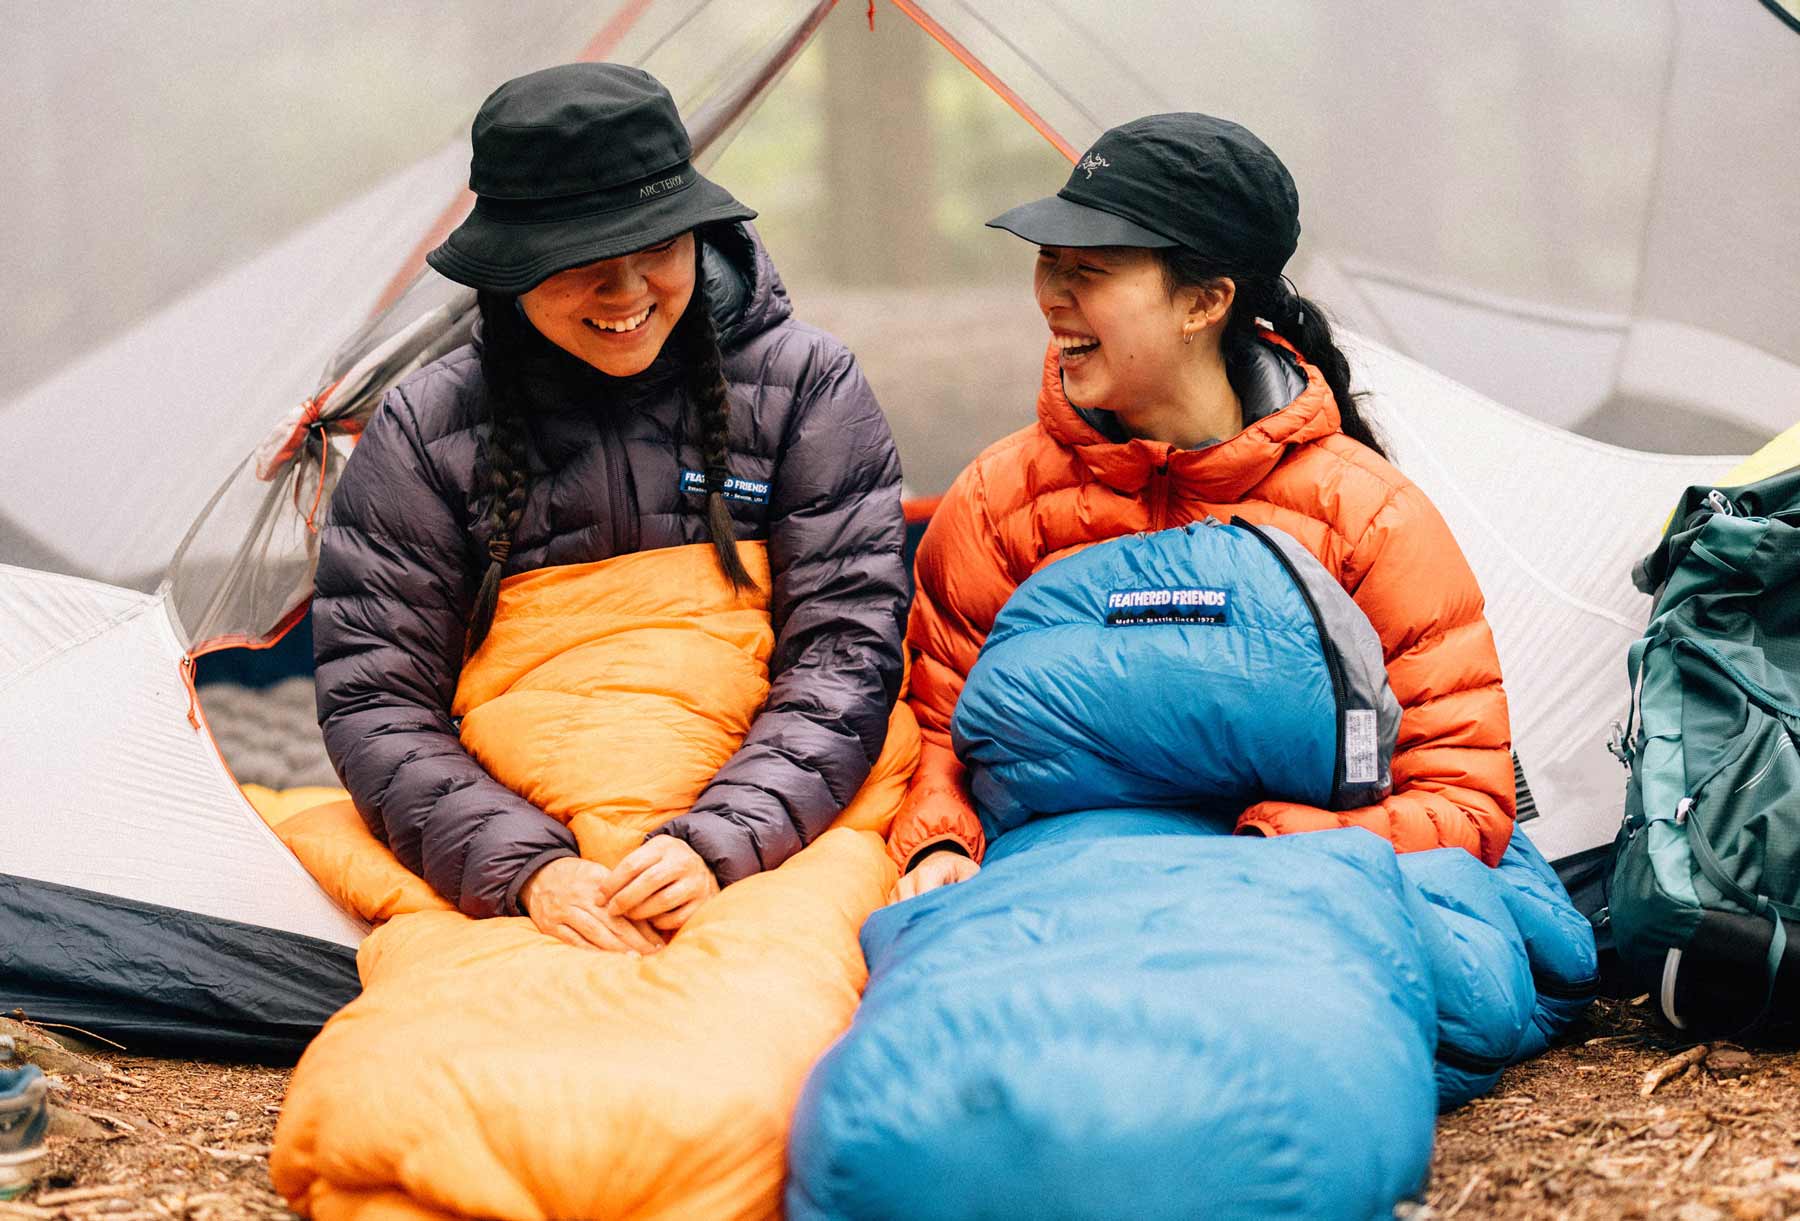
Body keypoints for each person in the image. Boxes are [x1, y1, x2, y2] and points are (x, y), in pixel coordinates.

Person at [313, 63, 908, 950]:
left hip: (769, 821)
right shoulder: (427, 426)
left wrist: (724, 839)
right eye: (585, 262)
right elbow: (375, 695)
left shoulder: (806, 385)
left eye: (658, 249)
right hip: (522, 841)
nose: (627, 294)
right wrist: (527, 869)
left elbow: (848, 648)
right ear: (510, 269)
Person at [888, 113, 1513, 900]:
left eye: (1094, 269)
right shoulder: (998, 502)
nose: (1053, 297)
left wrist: (1270, 848)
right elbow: (936, 736)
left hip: (1286, 904)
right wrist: (939, 840)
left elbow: (1464, 802)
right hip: (1047, 895)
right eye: (1050, 262)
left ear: (1205, 302)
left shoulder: (1367, 517)